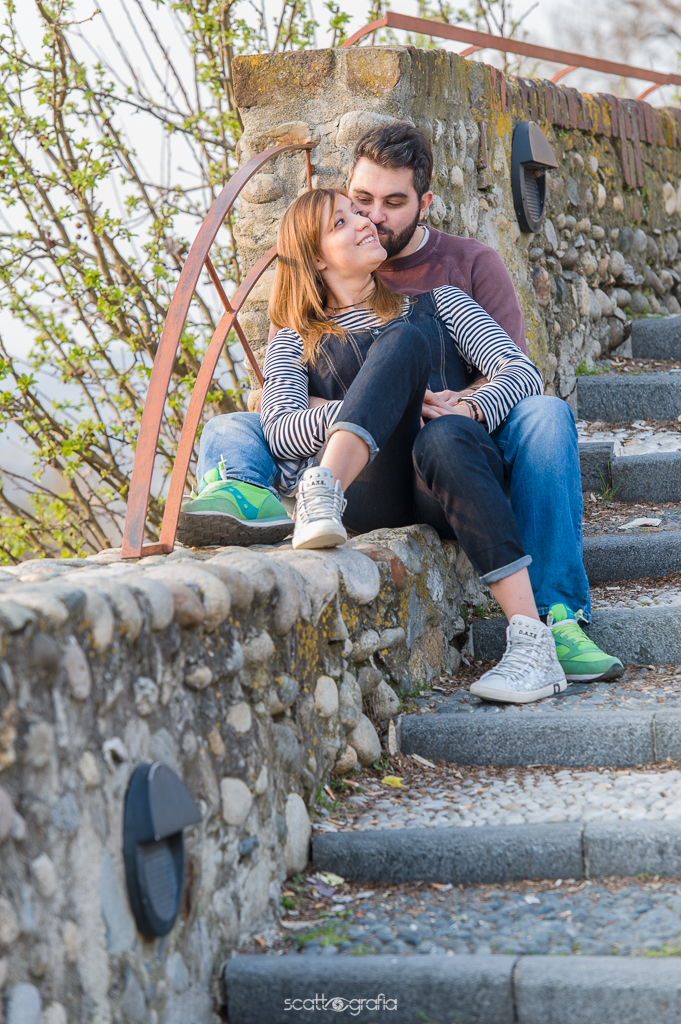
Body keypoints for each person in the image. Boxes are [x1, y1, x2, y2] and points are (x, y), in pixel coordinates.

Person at [180, 122, 623, 689]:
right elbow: (282, 429)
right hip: (367, 491)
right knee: (241, 425)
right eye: (348, 216)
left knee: (434, 407)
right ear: (316, 260)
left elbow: (521, 371)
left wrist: (467, 408)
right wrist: (394, 405)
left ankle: (534, 639)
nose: (368, 220)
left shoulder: (439, 299)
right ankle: (297, 493)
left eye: (372, 210)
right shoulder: (295, 336)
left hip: (443, 482)